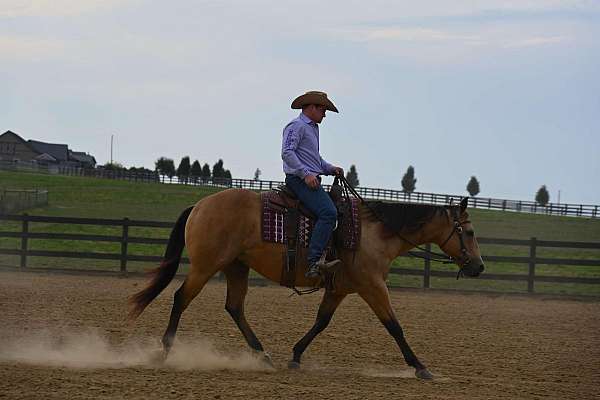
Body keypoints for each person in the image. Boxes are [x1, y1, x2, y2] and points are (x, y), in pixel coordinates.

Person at [281, 91, 344, 279]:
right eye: (323, 110)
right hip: (298, 180)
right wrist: (306, 174)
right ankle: (314, 261)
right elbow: (287, 152)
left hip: (307, 178)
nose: (324, 114)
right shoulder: (297, 126)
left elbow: (314, 159)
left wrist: (330, 168)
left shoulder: (312, 128)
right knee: (329, 212)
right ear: (311, 107)